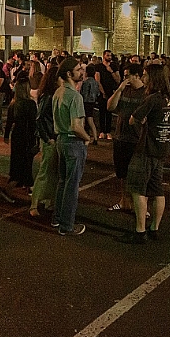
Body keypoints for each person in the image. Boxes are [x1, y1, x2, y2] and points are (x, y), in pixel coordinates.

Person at [119, 63, 170, 244]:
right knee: (158, 190)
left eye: (145, 75)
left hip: (146, 148)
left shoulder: (152, 99)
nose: (144, 78)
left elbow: (132, 119)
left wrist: (141, 122)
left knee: (138, 189)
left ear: (153, 78)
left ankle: (140, 231)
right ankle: (154, 228)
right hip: (162, 147)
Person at [52, 57, 91, 235]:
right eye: (77, 69)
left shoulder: (58, 92)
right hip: (73, 142)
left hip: (61, 140)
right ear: (69, 74)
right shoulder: (75, 96)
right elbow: (76, 126)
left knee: (62, 182)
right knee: (72, 186)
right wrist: (87, 137)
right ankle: (67, 225)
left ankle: (57, 218)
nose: (81, 72)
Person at [106, 63, 147, 213]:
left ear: (136, 76)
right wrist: (120, 89)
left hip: (137, 138)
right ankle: (124, 201)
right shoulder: (124, 90)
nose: (125, 78)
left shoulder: (145, 93)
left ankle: (141, 206)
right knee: (122, 173)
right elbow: (110, 107)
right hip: (121, 137)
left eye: (127, 75)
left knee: (138, 175)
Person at [30, 65, 60, 218]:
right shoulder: (49, 96)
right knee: (45, 171)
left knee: (53, 171)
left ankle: (50, 201)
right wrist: (48, 138)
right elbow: (40, 118)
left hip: (53, 137)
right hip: (50, 139)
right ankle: (34, 204)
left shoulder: (54, 94)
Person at [2, 76, 38, 203]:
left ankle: (27, 187)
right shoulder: (30, 104)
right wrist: (36, 139)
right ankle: (11, 189)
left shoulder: (14, 103)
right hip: (27, 136)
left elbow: (9, 122)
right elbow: (34, 123)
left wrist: (6, 136)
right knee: (26, 164)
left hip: (17, 135)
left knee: (18, 162)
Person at [95, 50, 120, 141]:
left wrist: (111, 71)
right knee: (102, 112)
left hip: (111, 92)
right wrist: (103, 92)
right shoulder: (98, 67)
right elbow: (97, 80)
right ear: (103, 56)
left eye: (110, 56)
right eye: (108, 55)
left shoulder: (114, 66)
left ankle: (108, 131)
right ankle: (102, 131)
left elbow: (118, 80)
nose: (109, 57)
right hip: (102, 92)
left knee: (109, 112)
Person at [80, 63, 100, 145]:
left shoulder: (86, 82)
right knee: (91, 120)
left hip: (86, 102)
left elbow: (83, 93)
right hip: (92, 102)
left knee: (86, 120)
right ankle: (95, 137)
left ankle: (86, 137)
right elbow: (98, 93)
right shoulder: (95, 82)